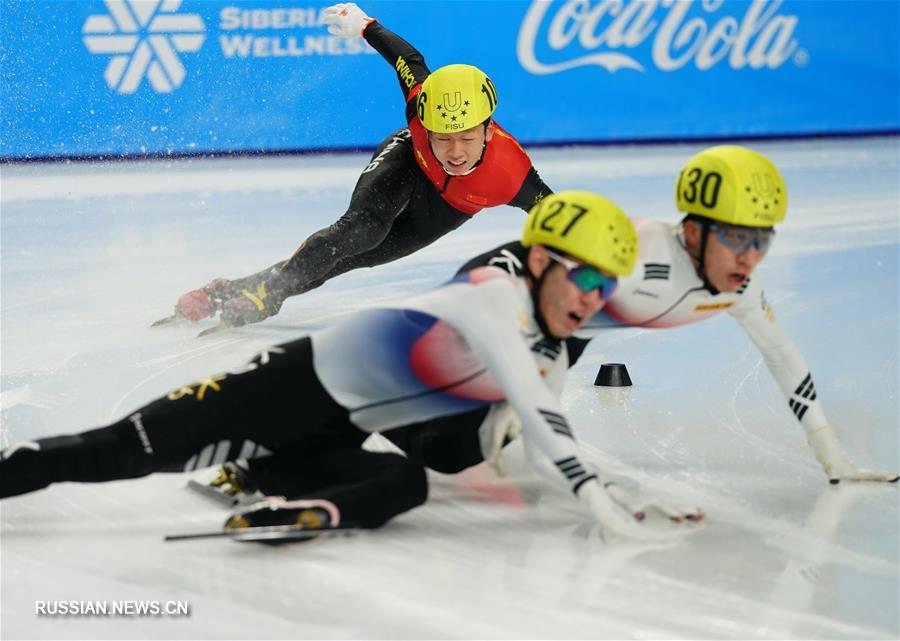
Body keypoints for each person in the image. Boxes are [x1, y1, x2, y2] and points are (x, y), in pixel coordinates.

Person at [0, 192, 702, 543]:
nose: (594, 300)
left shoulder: (548, 340)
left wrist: (625, 488)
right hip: (279, 389)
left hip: (333, 430)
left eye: (607, 289)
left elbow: (546, 443)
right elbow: (537, 407)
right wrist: (604, 505)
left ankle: (282, 495)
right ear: (543, 260)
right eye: (584, 279)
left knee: (402, 480)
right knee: (116, 451)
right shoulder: (492, 297)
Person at [421, 145, 898, 485]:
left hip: (569, 323)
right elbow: (538, 303)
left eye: (762, 241)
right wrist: (514, 391)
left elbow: (781, 355)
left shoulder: (741, 286)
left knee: (455, 452)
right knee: (446, 434)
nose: (749, 259)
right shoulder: (636, 258)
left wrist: (830, 453)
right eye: (735, 238)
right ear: (692, 233)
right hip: (507, 294)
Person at [158, 2, 551, 333]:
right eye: (442, 137)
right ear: (425, 125)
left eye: (466, 138)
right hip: (408, 163)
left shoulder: (513, 174)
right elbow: (407, 59)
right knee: (359, 231)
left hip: (449, 207)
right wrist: (363, 24)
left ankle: (228, 290)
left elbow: (564, 223)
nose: (455, 152)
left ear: (487, 129)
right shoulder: (421, 103)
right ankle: (268, 294)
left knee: (351, 259)